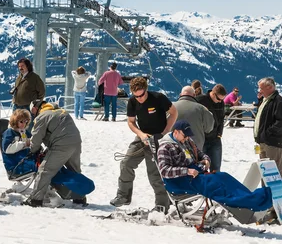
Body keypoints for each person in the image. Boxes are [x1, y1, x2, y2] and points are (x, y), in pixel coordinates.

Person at [156, 120, 272, 212]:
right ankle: (249, 202)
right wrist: (187, 171)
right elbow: (165, 171)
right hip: (179, 181)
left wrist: (206, 160)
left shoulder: (186, 141)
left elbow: (200, 154)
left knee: (223, 176)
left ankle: (250, 197)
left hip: (195, 175)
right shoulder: (165, 147)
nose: (187, 138)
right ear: (176, 132)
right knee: (215, 184)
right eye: (184, 135)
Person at [110, 77, 178, 211]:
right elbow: (131, 122)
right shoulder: (132, 101)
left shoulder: (158, 98)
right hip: (142, 137)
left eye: (141, 95)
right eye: (136, 96)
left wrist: (164, 133)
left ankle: (162, 204)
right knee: (126, 163)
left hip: (158, 138)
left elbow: (174, 113)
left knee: (155, 173)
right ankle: (123, 196)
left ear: (146, 90)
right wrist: (141, 134)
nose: (139, 98)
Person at [26, 100, 87, 207]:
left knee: (45, 171)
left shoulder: (42, 117)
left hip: (61, 145)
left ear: (35, 108)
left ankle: (35, 200)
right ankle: (79, 197)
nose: (32, 113)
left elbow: (36, 139)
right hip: (76, 142)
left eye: (32, 111)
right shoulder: (61, 111)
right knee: (74, 170)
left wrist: (32, 150)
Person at [253, 77, 282, 177]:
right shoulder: (265, 100)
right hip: (263, 141)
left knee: (274, 172)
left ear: (269, 87)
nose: (259, 91)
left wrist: (269, 132)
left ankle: (274, 193)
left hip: (273, 143)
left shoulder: (278, 101)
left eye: (261, 88)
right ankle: (265, 191)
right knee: (264, 172)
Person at [196, 84, 227, 172]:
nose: (220, 101)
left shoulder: (221, 103)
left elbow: (221, 119)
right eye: (219, 99)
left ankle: (215, 185)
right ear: (213, 94)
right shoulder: (200, 100)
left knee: (216, 168)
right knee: (201, 167)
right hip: (202, 139)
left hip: (215, 139)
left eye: (222, 99)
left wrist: (220, 133)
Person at [1, 109, 36, 177]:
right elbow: (7, 149)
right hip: (15, 164)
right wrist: (23, 144)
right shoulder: (9, 132)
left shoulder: (24, 132)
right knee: (39, 166)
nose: (24, 124)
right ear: (15, 121)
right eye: (21, 122)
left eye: (26, 122)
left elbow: (32, 140)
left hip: (25, 159)